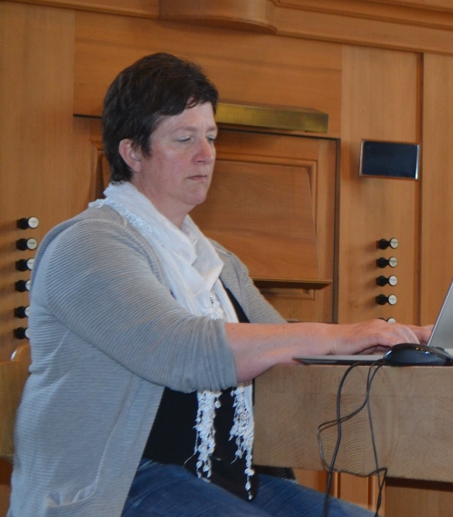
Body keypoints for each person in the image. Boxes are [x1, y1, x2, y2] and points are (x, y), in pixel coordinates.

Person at [9, 53, 431, 517]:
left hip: (229, 476)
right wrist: (338, 333)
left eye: (210, 137)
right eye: (184, 139)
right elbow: (182, 350)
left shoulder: (217, 261)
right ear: (132, 152)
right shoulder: (87, 245)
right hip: (119, 486)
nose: (206, 154)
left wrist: (391, 343)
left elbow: (284, 349)